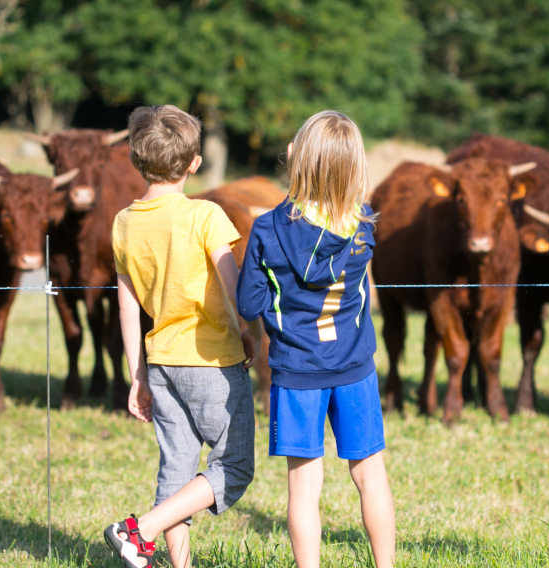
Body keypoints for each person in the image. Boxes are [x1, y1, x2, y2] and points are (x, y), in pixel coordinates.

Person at [103, 104, 263, 568]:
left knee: (176, 469)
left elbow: (127, 304)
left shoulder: (124, 222)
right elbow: (234, 287)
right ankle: (140, 532)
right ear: (194, 163)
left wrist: (138, 374)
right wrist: (249, 330)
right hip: (211, 360)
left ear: (136, 159)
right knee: (234, 466)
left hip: (162, 362)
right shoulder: (206, 215)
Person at [236, 110, 396, 568]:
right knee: (370, 475)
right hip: (355, 367)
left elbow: (248, 305)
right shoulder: (364, 223)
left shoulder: (267, 227)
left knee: (304, 489)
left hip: (294, 370)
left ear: (296, 160)